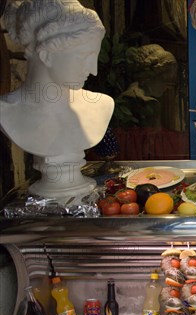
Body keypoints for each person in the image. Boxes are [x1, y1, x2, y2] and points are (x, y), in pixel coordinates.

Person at [0, 0, 114, 198]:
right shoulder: (6, 112)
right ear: (47, 55)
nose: (93, 70)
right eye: (84, 56)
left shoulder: (101, 105)